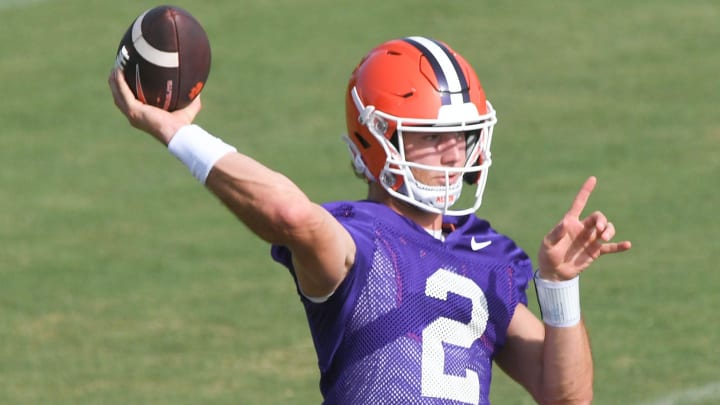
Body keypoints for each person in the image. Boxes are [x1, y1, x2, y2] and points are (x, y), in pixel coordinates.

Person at [108, 36, 631, 404]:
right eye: (430, 136)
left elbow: (566, 394)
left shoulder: (488, 254)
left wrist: (560, 285)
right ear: (374, 139)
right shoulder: (357, 238)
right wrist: (178, 133)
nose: (454, 155)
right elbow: (289, 213)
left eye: (463, 136)